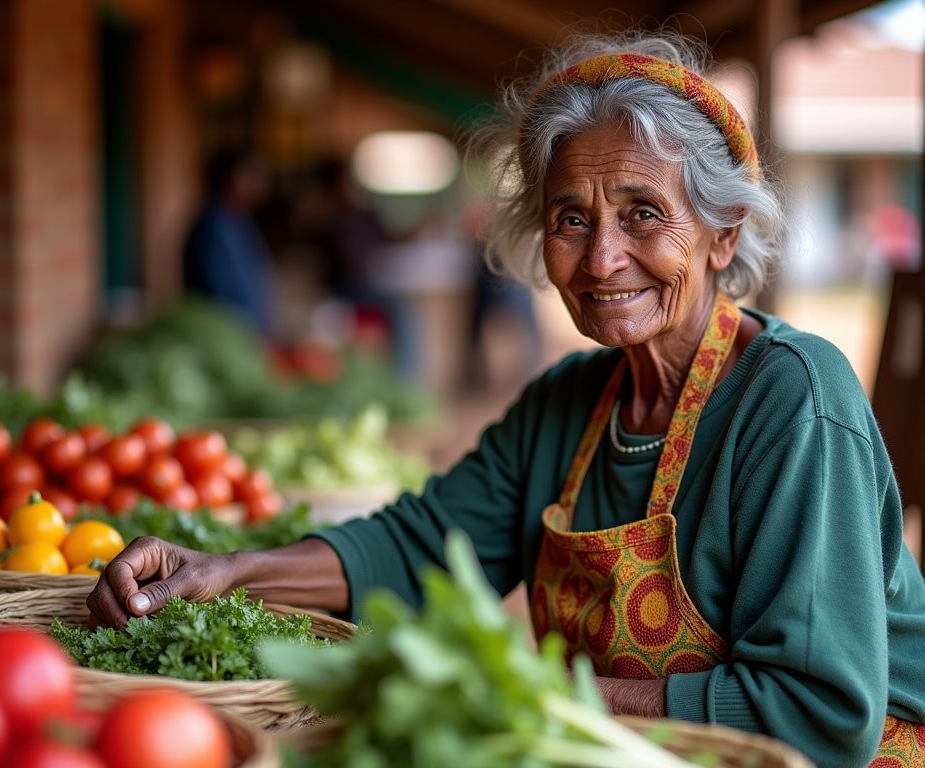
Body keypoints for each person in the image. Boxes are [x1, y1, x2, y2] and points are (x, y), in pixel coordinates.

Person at [90, 29, 925, 768]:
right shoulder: (567, 403)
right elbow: (417, 544)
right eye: (570, 220)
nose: (601, 260)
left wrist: (542, 687)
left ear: (723, 235)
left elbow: (823, 716)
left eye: (643, 214)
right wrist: (227, 572)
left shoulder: (791, 398)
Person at [182, 146, 277, 336]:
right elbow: (219, 296)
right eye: (249, 174)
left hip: (248, 333)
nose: (257, 182)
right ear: (228, 178)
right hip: (223, 334)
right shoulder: (210, 228)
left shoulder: (239, 221)